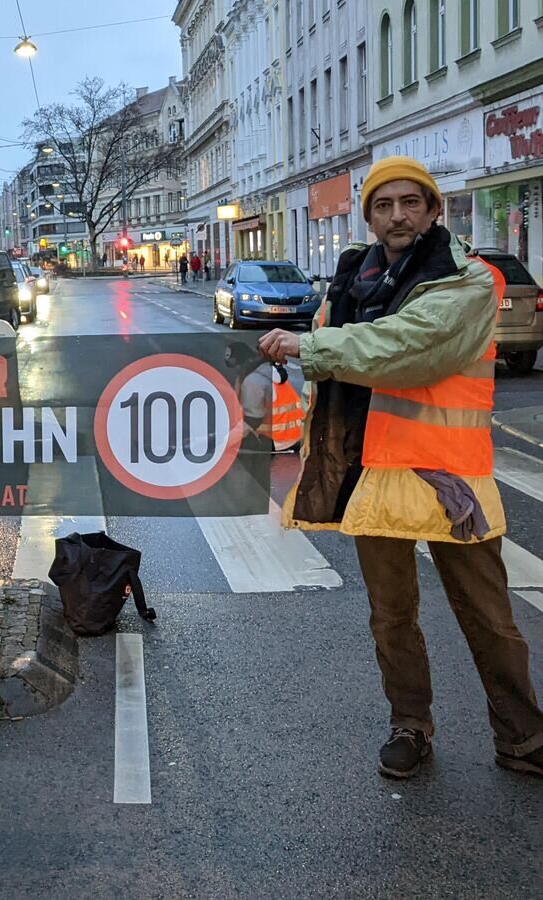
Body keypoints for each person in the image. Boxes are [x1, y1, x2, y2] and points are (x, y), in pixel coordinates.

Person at [259, 156, 543, 780]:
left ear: (434, 209)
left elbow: (408, 348)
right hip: (372, 471)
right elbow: (334, 375)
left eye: (411, 203)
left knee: (489, 614)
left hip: (448, 478)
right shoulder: (348, 281)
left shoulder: (467, 282)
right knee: (391, 615)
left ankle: (522, 736)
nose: (398, 216)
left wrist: (309, 347)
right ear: (369, 217)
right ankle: (409, 726)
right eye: (384, 206)